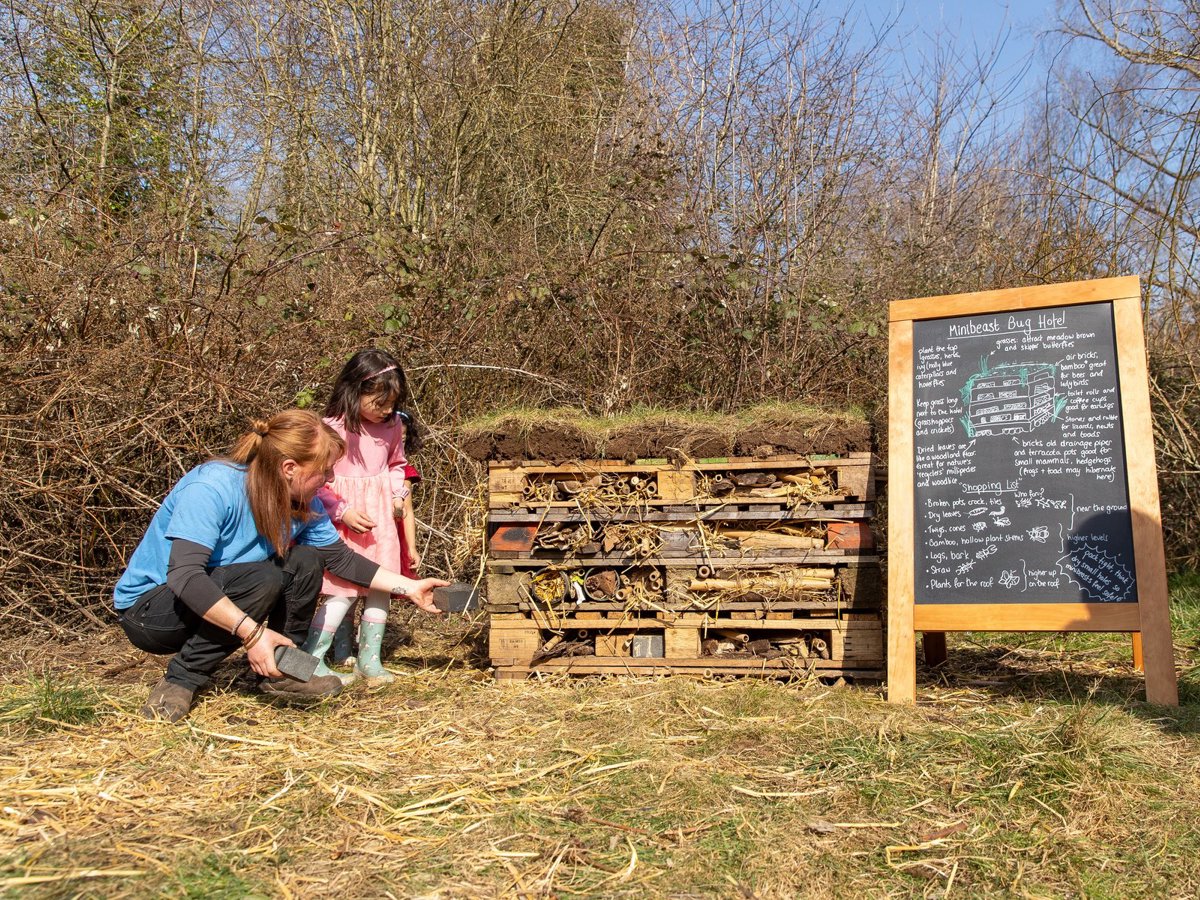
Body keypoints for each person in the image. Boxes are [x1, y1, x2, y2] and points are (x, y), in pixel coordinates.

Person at [113, 409, 447, 723]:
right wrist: (253, 633)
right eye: (324, 470)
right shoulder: (212, 487)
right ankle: (182, 680)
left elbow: (340, 559)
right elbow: (185, 576)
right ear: (290, 468)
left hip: (228, 593)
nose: (329, 479)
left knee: (306, 559)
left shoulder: (304, 502)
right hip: (152, 612)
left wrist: (411, 587)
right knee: (264, 577)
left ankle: (283, 670)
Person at [303, 349, 424, 685]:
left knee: (380, 590)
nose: (387, 410)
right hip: (346, 520)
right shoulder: (330, 428)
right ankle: (312, 658)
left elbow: (396, 465)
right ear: (354, 391)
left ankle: (369, 661)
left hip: (382, 520)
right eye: (379, 402)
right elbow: (317, 481)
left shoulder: (393, 425)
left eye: (392, 402)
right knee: (341, 592)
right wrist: (342, 511)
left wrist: (399, 492)